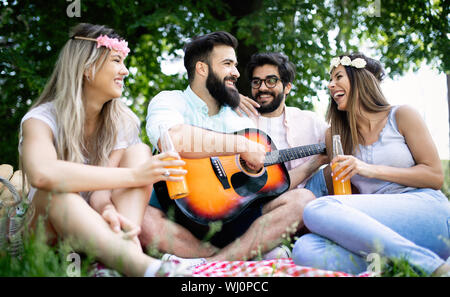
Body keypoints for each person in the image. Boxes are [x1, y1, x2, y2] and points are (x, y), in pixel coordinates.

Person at [19, 23, 190, 277]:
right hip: (49, 234)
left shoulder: (122, 121)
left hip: (101, 229)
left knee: (138, 151)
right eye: (117, 60)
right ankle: (143, 267)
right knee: (57, 194)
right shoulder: (40, 120)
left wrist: (108, 210)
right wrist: (137, 176)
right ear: (88, 68)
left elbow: (100, 195)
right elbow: (43, 174)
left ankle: (120, 255)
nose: (126, 70)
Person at [141, 31, 315, 264]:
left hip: (234, 218)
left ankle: (216, 262)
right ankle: (233, 256)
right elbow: (173, 139)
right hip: (178, 217)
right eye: (227, 64)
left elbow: (261, 182)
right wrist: (241, 145)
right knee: (141, 218)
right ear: (202, 69)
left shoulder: (237, 118)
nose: (236, 72)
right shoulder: (169, 101)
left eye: (235, 64)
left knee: (303, 200)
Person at [291, 53, 450, 276]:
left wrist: (368, 169)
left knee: (318, 208)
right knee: (305, 249)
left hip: (427, 212)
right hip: (381, 230)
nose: (330, 85)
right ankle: (406, 266)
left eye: (338, 76)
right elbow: (338, 194)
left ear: (360, 79)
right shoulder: (336, 136)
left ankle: (436, 269)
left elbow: (434, 176)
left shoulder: (401, 115)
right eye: (330, 79)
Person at [245, 52, 329, 194]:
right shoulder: (239, 121)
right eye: (256, 82)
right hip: (254, 201)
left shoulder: (310, 121)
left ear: (287, 87)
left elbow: (339, 140)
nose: (262, 88)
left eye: (271, 81)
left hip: (306, 195)